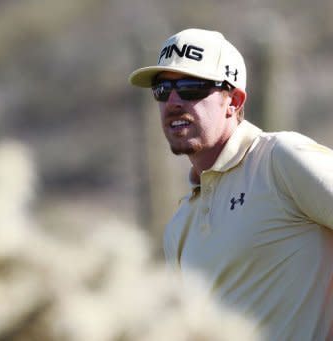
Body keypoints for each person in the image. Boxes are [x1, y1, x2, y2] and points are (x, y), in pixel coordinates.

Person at [128, 28, 333, 340]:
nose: (172, 101)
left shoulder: (280, 160)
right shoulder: (179, 226)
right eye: (162, 88)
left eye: (190, 87)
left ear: (233, 101)